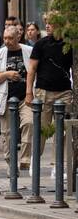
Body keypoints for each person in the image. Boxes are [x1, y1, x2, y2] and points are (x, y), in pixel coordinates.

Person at [25, 11, 74, 155]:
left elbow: (73, 68)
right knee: (41, 129)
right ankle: (36, 161)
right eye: (46, 22)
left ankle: (59, 164)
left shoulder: (69, 44)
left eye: (51, 23)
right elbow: (32, 69)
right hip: (43, 91)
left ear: (60, 25)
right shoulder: (41, 44)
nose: (47, 26)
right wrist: (29, 92)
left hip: (65, 91)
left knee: (64, 131)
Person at [0, 24, 32, 170]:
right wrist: (6, 75)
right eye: (5, 38)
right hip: (6, 97)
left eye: (10, 38)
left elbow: (34, 71)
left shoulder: (29, 51)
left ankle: (25, 158)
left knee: (29, 123)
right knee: (7, 133)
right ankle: (11, 164)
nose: (7, 41)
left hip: (25, 98)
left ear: (18, 37)